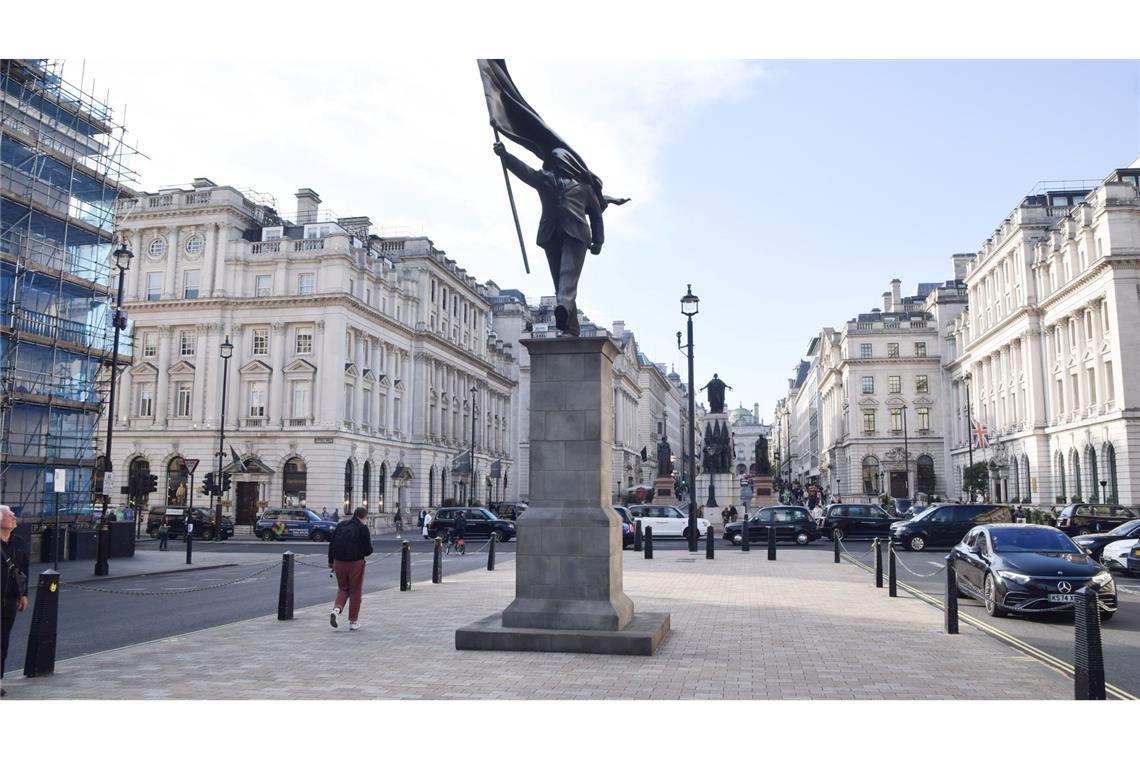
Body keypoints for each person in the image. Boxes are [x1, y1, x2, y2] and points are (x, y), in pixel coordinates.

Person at [494, 141, 611, 337]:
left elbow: (596, 214)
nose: (550, 165)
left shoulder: (584, 188)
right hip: (551, 234)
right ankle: (571, 327)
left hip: (577, 234)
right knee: (559, 282)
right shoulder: (545, 179)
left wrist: (598, 240)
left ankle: (563, 306)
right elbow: (526, 172)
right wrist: (506, 156)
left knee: (567, 275)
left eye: (554, 162)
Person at [328, 508, 374, 631]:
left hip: (338, 561)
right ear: (363, 517)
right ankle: (353, 621)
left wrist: (331, 562)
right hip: (355, 563)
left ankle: (336, 610)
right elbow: (368, 550)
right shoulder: (362, 528)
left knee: (343, 588)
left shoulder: (341, 525)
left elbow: (332, 544)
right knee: (355, 591)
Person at [2, 505, 30, 696]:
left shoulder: (18, 542)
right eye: (9, 515)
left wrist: (23, 594)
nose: (14, 517)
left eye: (13, 515)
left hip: (9, 601)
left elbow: (23, 570)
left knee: (2, 642)